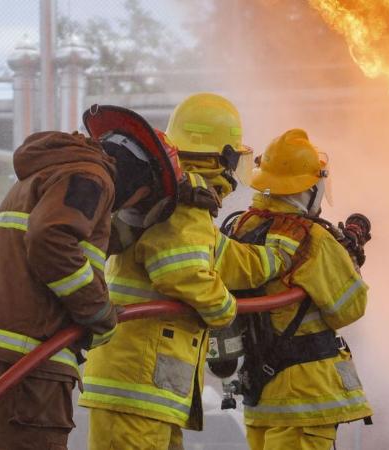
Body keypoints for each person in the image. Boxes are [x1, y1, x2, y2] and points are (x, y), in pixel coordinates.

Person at [79, 93, 305, 450]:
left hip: (150, 393)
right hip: (137, 388)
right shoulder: (185, 204)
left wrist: (279, 256)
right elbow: (179, 274)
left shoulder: (177, 197)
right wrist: (224, 309)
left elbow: (226, 259)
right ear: (225, 157)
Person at [0, 105, 181, 450]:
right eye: (139, 201)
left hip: (0, 344)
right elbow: (52, 240)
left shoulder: (55, 171)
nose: (127, 209)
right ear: (136, 179)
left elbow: (91, 237)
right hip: (31, 350)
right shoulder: (91, 177)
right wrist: (96, 309)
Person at [230, 129, 373, 450]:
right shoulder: (313, 239)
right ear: (309, 187)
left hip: (261, 395)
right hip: (307, 397)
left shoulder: (243, 227)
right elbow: (350, 307)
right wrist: (349, 262)